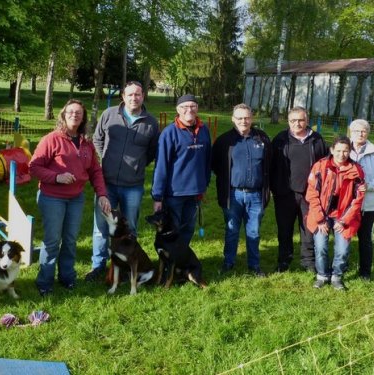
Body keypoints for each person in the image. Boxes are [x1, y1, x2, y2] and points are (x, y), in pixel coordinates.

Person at [30, 99, 111, 295]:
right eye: (71, 112)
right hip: (52, 197)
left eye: (79, 113)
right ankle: (45, 282)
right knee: (52, 241)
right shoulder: (51, 139)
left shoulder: (86, 144)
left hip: (76, 198)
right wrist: (56, 177)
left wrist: (102, 194)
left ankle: (67, 278)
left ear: (83, 118)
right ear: (64, 115)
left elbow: (95, 171)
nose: (75, 115)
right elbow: (34, 167)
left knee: (70, 240)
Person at [85, 81, 159, 281]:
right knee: (101, 227)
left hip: (133, 186)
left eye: (137, 94)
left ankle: (127, 265)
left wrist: (137, 164)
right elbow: (97, 139)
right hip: (106, 183)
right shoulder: (109, 114)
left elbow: (152, 152)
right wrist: (106, 158)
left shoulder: (151, 122)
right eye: (130, 94)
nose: (133, 98)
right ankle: (98, 266)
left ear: (143, 96)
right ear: (123, 97)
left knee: (131, 227)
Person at [211, 103, 271, 277]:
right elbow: (215, 165)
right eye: (239, 118)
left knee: (254, 231)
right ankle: (228, 262)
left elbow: (270, 163)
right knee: (231, 230)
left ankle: (254, 265)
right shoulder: (224, 141)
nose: (243, 121)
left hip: (256, 195)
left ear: (251, 118)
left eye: (246, 117)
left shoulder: (262, 139)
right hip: (233, 195)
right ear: (233, 119)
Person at [270, 106, 328, 273]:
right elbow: (271, 166)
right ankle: (284, 261)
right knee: (284, 229)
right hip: (284, 194)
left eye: (301, 120)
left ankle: (308, 262)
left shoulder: (317, 140)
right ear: (288, 121)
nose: (297, 123)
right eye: (293, 120)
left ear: (307, 121)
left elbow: (325, 166)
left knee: (308, 229)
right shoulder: (280, 140)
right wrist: (275, 188)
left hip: (310, 195)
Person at [306, 136, 365, 290]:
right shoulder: (320, 166)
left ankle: (337, 276)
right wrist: (320, 219)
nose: (341, 154)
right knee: (321, 247)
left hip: (344, 217)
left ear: (350, 151)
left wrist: (344, 220)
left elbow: (358, 198)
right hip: (321, 215)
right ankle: (322, 275)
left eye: (345, 151)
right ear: (332, 150)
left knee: (342, 250)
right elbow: (312, 194)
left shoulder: (357, 170)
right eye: (338, 150)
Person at [151, 94, 211, 246]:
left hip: (195, 192)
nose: (189, 110)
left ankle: (182, 261)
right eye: (185, 107)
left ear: (197, 108)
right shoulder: (169, 133)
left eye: (193, 106)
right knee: (172, 230)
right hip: (174, 194)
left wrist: (204, 184)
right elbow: (161, 166)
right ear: (178, 109)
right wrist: (157, 197)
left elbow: (207, 160)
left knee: (188, 229)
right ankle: (169, 264)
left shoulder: (204, 130)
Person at [349, 119, 374, 281]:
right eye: (357, 131)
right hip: (346, 203)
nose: (360, 133)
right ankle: (341, 267)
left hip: (369, 204)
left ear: (368, 133)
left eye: (364, 131)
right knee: (343, 237)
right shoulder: (343, 149)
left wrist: (369, 185)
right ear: (351, 132)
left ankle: (365, 272)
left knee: (365, 238)